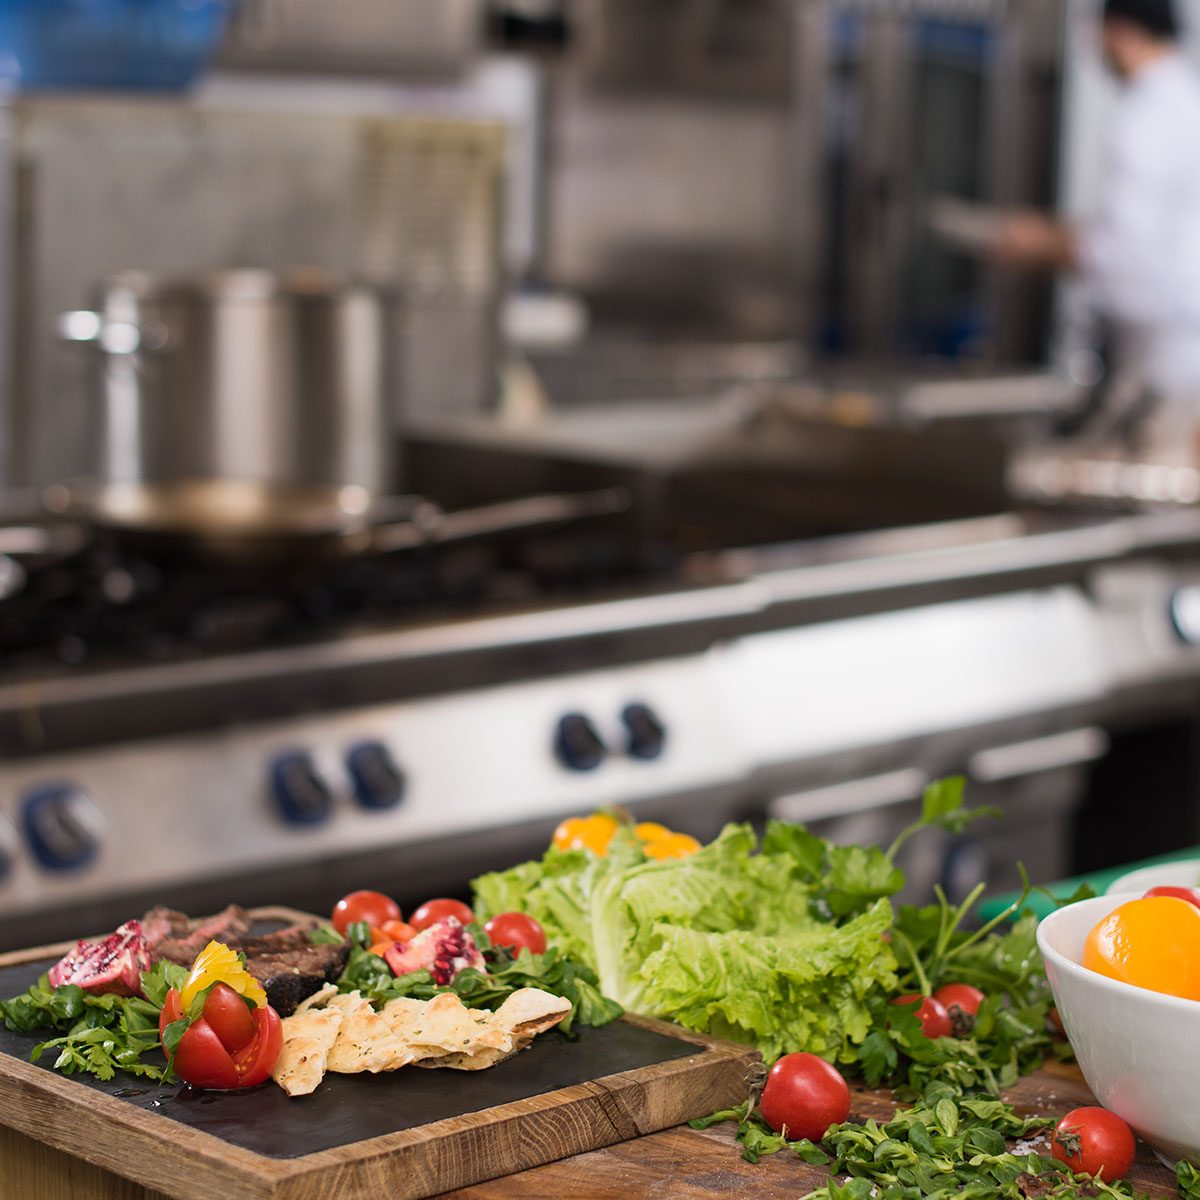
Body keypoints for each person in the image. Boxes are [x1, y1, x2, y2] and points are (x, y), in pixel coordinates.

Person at [995, 0, 1200, 454]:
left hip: (1165, 368)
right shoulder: (1186, 101)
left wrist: (1039, 244)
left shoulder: (1150, 117)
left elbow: (1123, 253)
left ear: (1122, 31)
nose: (1092, 46)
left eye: (1096, 33)